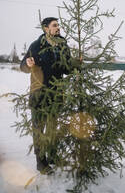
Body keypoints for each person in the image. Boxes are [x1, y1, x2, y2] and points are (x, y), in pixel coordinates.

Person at [20, 17, 81, 174]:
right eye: (54, 25)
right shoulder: (36, 45)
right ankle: (41, 163)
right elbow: (22, 66)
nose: (58, 27)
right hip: (39, 94)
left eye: (58, 25)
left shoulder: (62, 45)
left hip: (56, 94)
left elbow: (66, 69)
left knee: (53, 128)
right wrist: (28, 64)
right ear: (46, 28)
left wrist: (75, 64)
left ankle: (53, 156)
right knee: (39, 130)